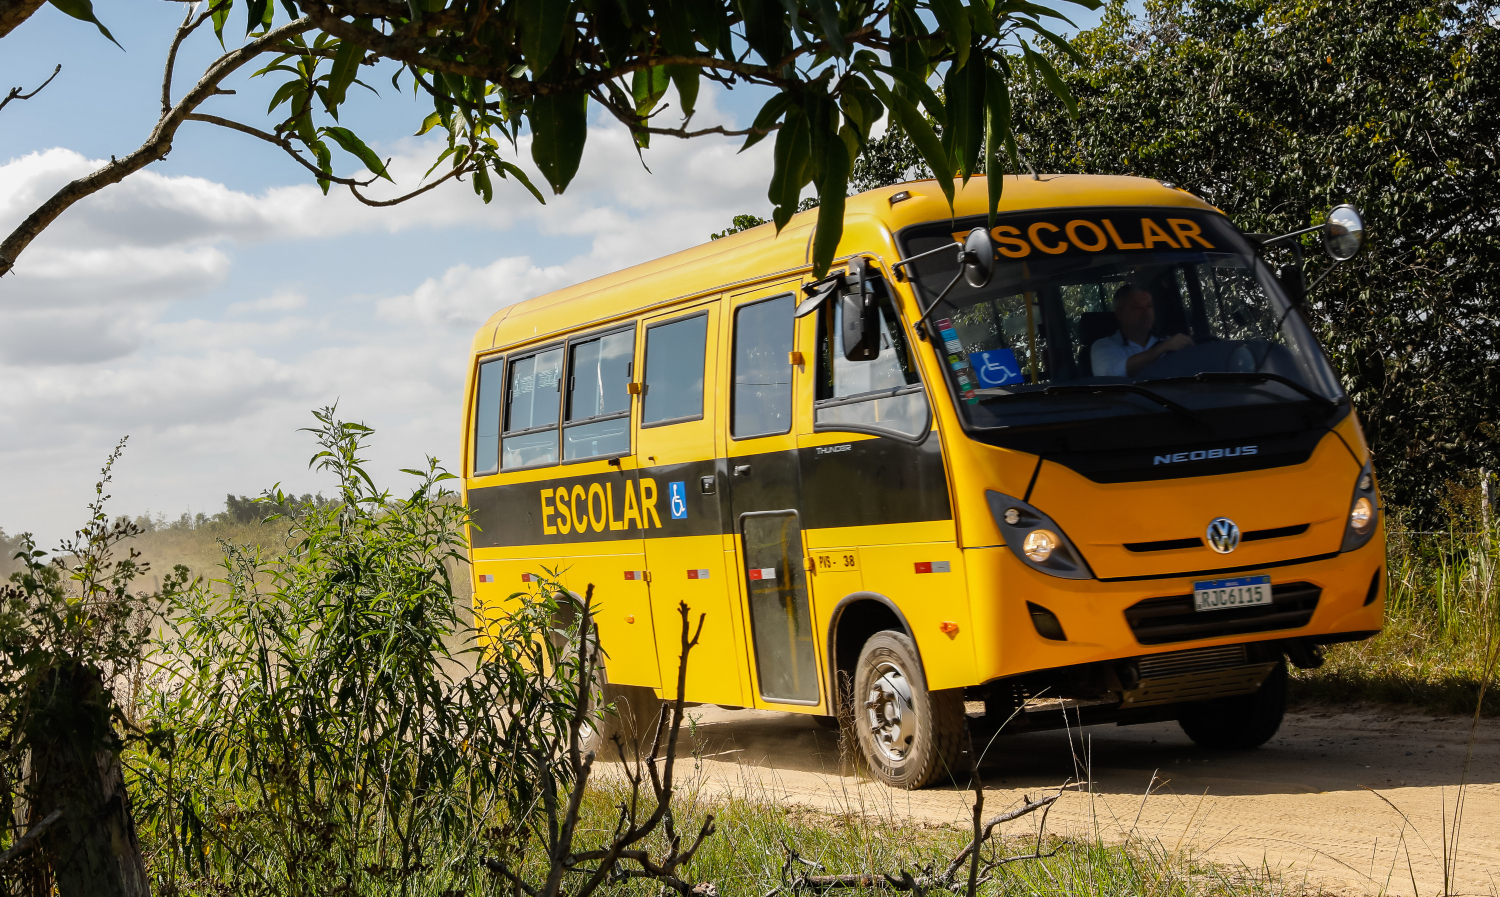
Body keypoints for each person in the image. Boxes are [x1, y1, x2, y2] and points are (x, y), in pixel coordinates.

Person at [1090, 285, 1193, 377]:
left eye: (1149, 306)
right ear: (1120, 314)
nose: (1146, 312)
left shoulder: (1168, 342)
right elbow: (1112, 374)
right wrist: (1161, 349)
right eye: (1137, 307)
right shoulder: (1103, 347)